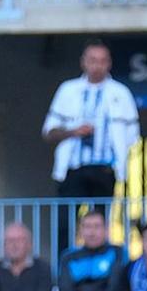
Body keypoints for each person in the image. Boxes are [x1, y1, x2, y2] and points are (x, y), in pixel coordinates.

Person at [41, 40, 139, 235]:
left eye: (102, 61)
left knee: (101, 224)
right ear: (83, 62)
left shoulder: (120, 92)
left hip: (105, 169)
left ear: (109, 63)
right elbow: (49, 132)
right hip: (73, 168)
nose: (97, 66)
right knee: (65, 224)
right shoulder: (68, 90)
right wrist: (73, 132)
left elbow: (132, 134)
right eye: (93, 60)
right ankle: (65, 262)